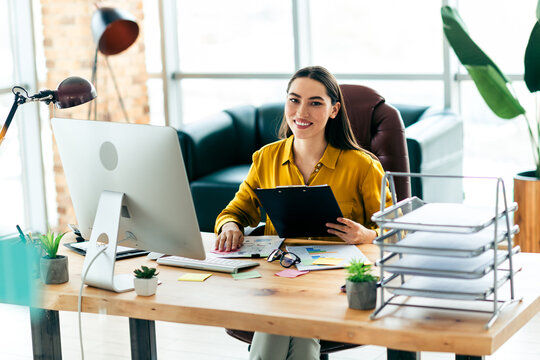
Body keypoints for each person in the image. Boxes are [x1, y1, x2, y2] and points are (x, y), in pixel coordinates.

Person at [214, 66, 392, 360]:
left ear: (334, 110)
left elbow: (398, 230)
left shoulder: (363, 166)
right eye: (294, 100)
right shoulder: (266, 158)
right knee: (290, 333)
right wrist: (231, 225)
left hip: (334, 283)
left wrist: (367, 234)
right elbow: (235, 211)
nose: (301, 111)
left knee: (280, 331)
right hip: (279, 279)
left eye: (315, 103)